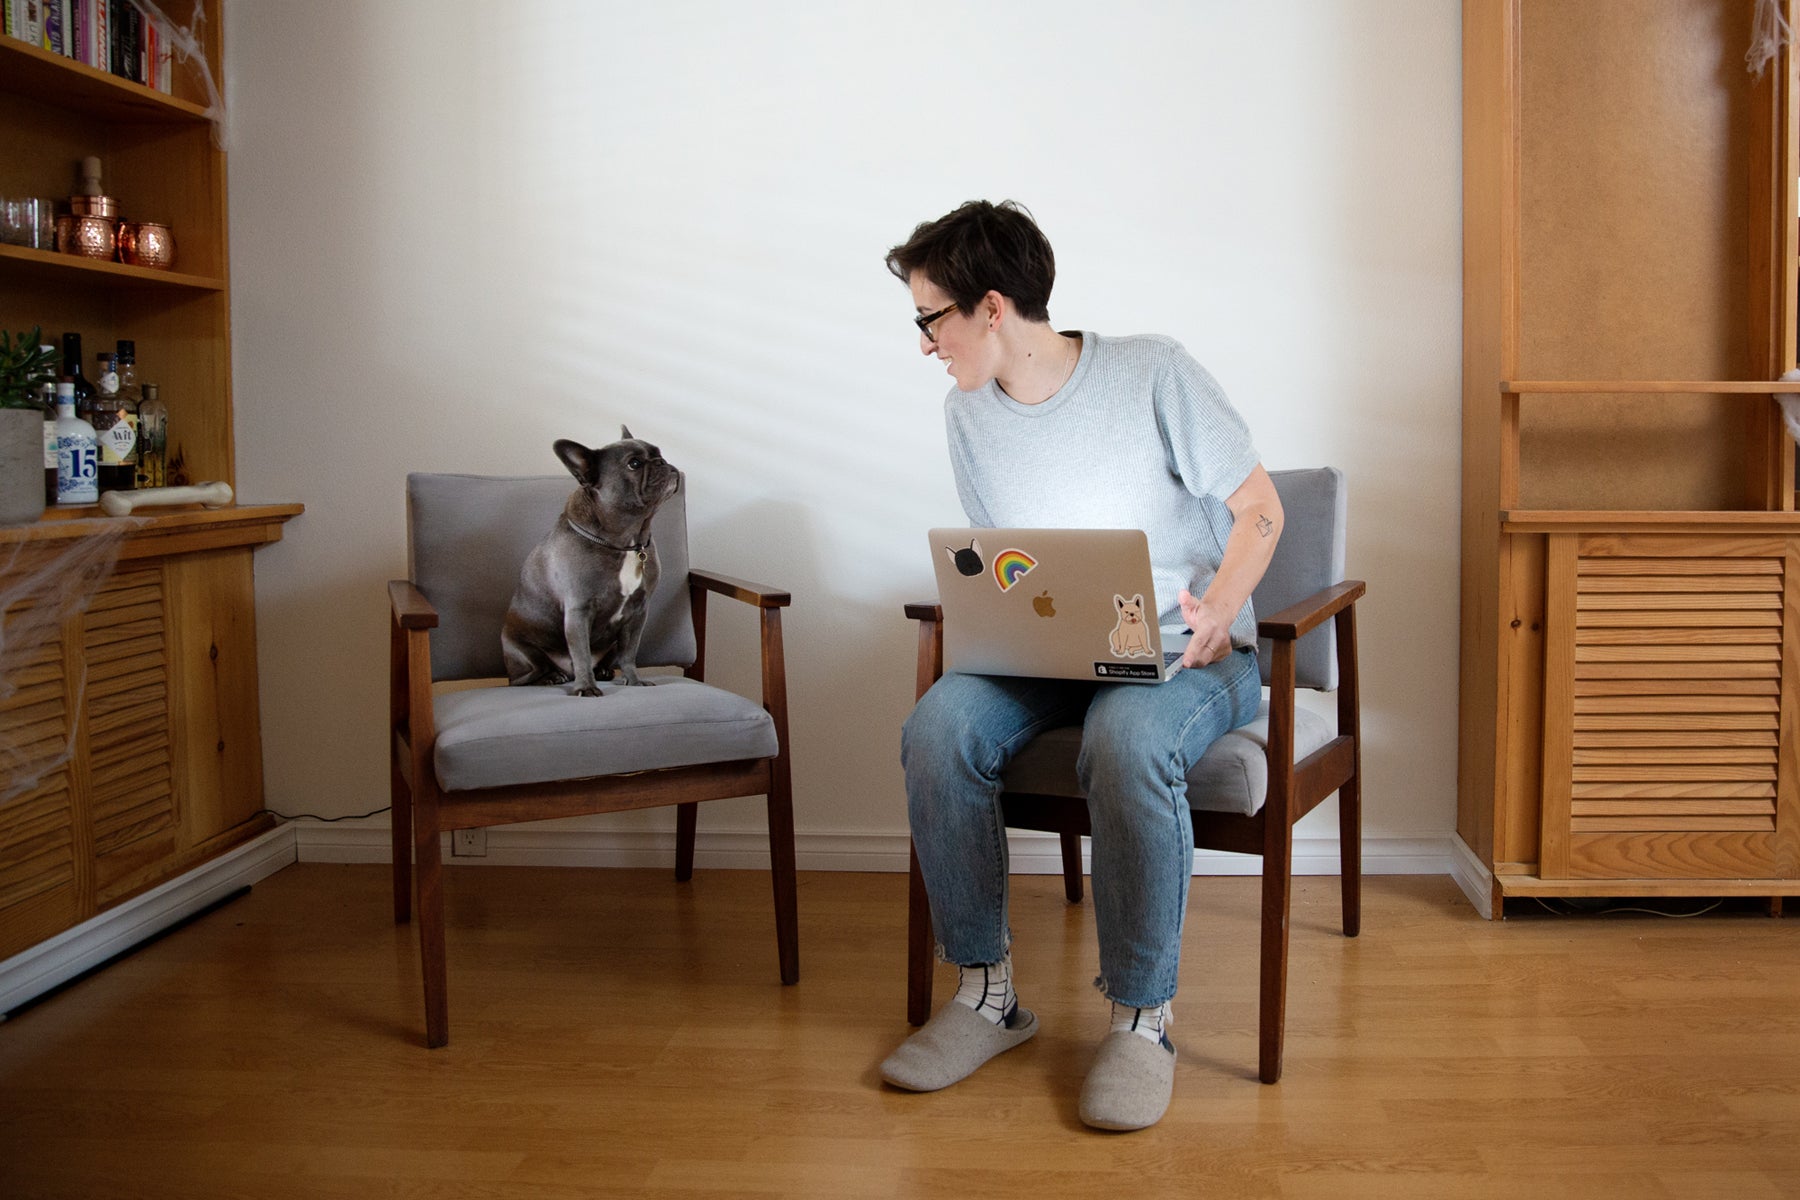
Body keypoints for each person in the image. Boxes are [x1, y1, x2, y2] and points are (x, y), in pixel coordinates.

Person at [877, 200, 1283, 1131]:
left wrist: (1220, 607)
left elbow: (1262, 510)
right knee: (937, 727)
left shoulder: (1152, 372)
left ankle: (1143, 1021)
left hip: (1196, 654)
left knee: (1126, 742)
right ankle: (987, 997)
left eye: (929, 318)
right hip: (1055, 652)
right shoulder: (968, 414)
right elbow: (1010, 565)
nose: (926, 345)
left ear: (988, 308)